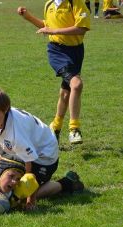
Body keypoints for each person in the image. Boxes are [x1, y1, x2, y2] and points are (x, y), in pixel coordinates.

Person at [0, 88, 84, 210]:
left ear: (5, 109)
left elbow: (29, 170)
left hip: (44, 156)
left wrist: (30, 199)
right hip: (17, 151)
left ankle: (67, 183)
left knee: (20, 196)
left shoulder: (17, 131)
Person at [17, 0, 91, 145]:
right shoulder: (49, 4)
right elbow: (47, 26)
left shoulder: (75, 3)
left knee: (66, 92)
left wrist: (52, 30)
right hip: (56, 51)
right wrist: (28, 17)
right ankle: (74, 129)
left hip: (76, 51)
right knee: (76, 84)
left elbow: (82, 28)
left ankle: (55, 127)